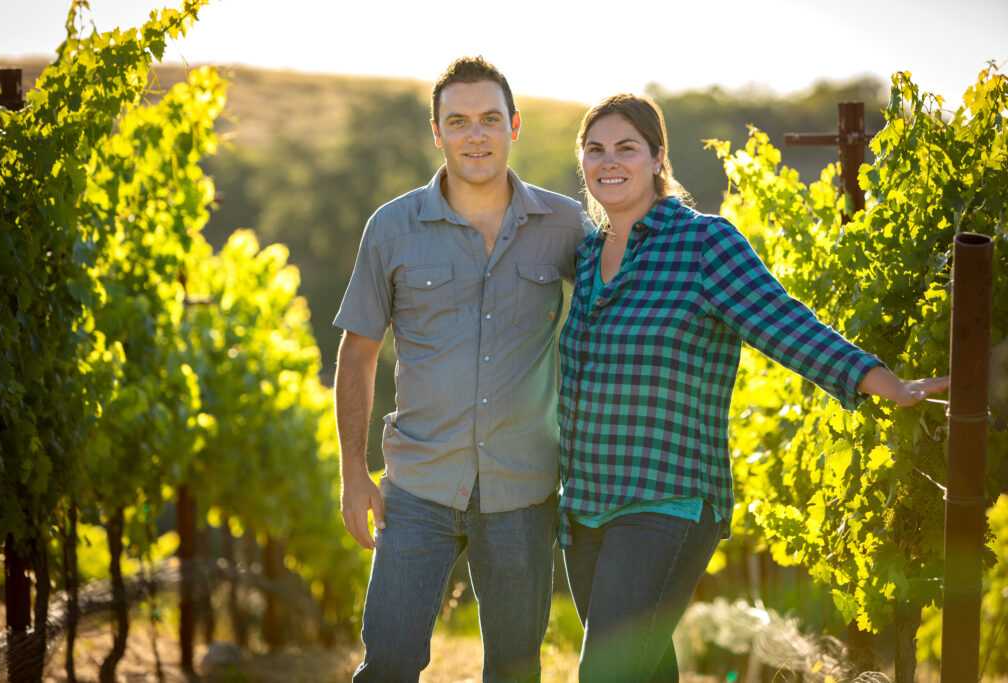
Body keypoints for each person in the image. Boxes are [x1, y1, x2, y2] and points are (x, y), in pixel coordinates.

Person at [557, 93, 949, 683]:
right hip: (585, 502)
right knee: (643, 666)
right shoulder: (587, 255)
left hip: (667, 496)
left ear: (658, 158)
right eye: (595, 149)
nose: (609, 161)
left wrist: (879, 381)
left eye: (626, 148)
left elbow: (784, 324)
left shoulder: (704, 245)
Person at [332, 56, 589, 683]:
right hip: (418, 486)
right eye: (459, 121)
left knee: (514, 669)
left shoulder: (564, 225)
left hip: (524, 489)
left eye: (489, 119)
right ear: (437, 131)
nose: (476, 134)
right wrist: (352, 474)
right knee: (388, 663)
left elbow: (614, 317)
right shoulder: (392, 228)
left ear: (515, 126)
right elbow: (357, 352)